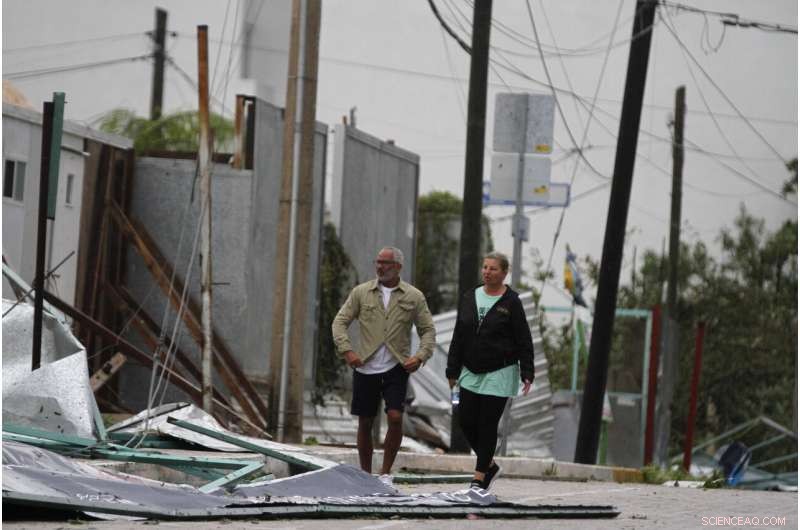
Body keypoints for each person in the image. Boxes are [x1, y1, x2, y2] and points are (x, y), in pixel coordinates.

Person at [332, 246, 436, 486]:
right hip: (365, 366)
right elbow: (340, 322)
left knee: (395, 416)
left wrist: (420, 356)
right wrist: (347, 350)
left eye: (386, 263)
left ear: (398, 267)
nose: (380, 267)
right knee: (365, 421)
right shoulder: (361, 292)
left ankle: (386, 473)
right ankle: (365, 475)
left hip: (396, 366)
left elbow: (427, 330)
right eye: (378, 262)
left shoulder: (413, 296)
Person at [445, 251, 535, 491]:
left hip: (500, 371)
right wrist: (452, 369)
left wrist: (528, 371)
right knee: (466, 421)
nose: (487, 272)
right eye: (485, 267)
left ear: (504, 273)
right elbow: (459, 335)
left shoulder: (512, 303)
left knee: (487, 424)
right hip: (470, 370)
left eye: (493, 268)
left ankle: (479, 477)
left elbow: (524, 339)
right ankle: (490, 465)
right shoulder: (469, 297)